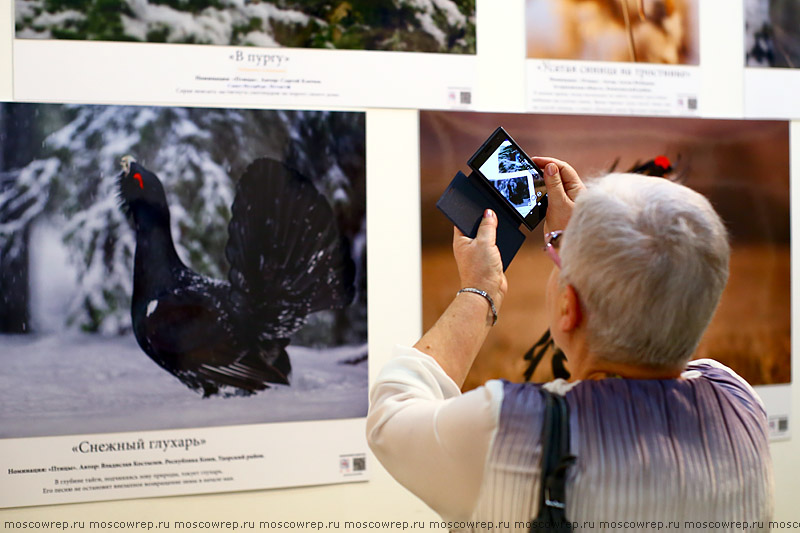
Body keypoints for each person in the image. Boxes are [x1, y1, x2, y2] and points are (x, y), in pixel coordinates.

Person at [366, 158, 773, 532]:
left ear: (568, 307)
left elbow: (391, 411)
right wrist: (592, 242)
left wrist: (480, 290)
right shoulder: (739, 403)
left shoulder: (507, 430)